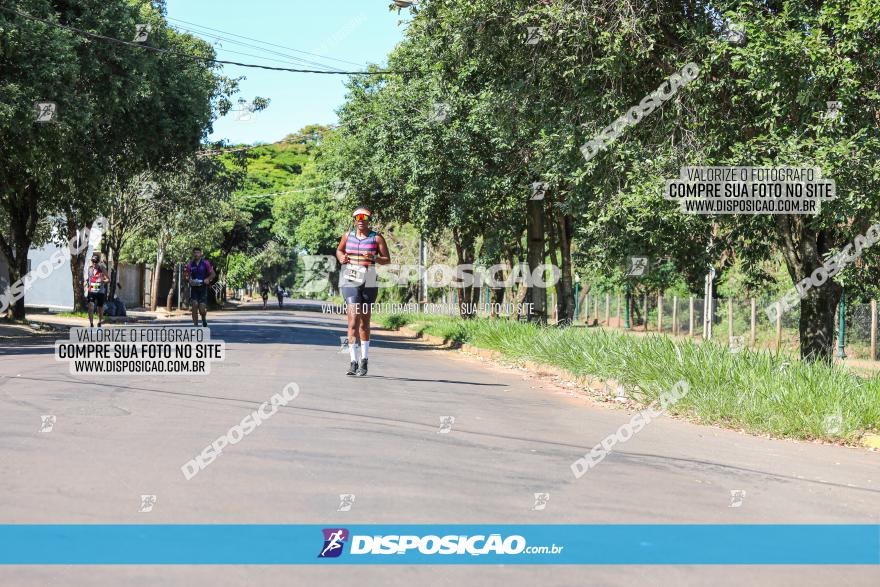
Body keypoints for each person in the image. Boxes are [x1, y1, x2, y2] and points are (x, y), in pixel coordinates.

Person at [336, 207, 390, 376]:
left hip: (369, 280)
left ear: (368, 219)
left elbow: (387, 260)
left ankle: (364, 360)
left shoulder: (377, 237)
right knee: (352, 322)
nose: (360, 219)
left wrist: (373, 257)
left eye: (363, 217)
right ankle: (352, 361)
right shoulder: (347, 236)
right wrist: (341, 258)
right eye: (357, 217)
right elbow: (339, 250)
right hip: (350, 280)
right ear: (354, 220)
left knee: (364, 322)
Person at [184, 247, 216, 327]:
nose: (196, 254)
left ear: (201, 254)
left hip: (203, 288)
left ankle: (203, 318)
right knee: (194, 305)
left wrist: (208, 279)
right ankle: (195, 326)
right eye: (195, 252)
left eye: (198, 252)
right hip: (194, 288)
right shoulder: (190, 264)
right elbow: (186, 275)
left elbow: (213, 274)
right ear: (193, 254)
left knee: (202, 309)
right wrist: (188, 279)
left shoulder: (206, 263)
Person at [84, 254, 110, 328]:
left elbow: (108, 279)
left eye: (96, 262)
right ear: (92, 262)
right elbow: (88, 278)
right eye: (93, 261)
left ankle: (99, 321)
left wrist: (103, 281)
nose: (94, 263)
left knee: (100, 308)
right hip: (91, 291)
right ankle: (91, 323)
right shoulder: (89, 269)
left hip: (100, 292)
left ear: (98, 262)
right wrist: (85, 282)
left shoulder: (102, 269)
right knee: (90, 306)